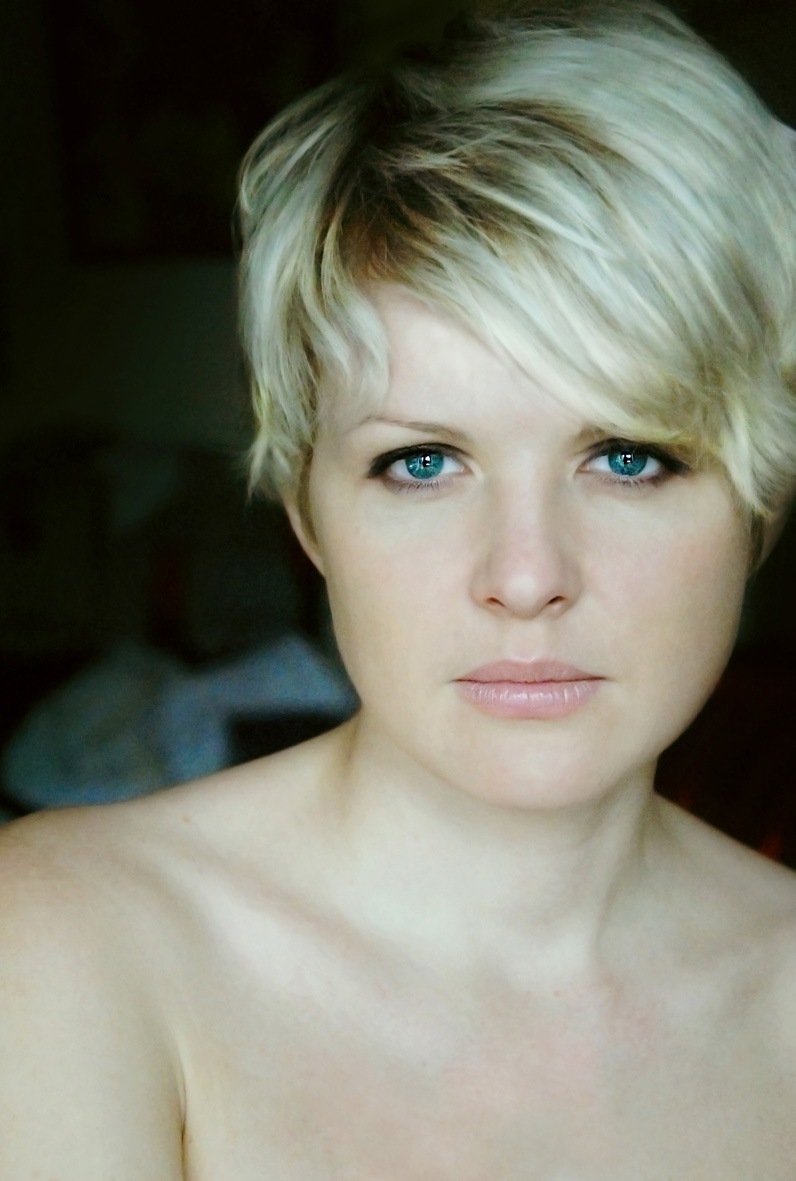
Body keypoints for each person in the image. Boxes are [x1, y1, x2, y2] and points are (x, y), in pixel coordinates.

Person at [2, 1, 796, 1176]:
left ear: (758, 499)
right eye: (421, 462)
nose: (525, 576)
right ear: (308, 512)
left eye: (629, 456)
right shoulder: (67, 940)